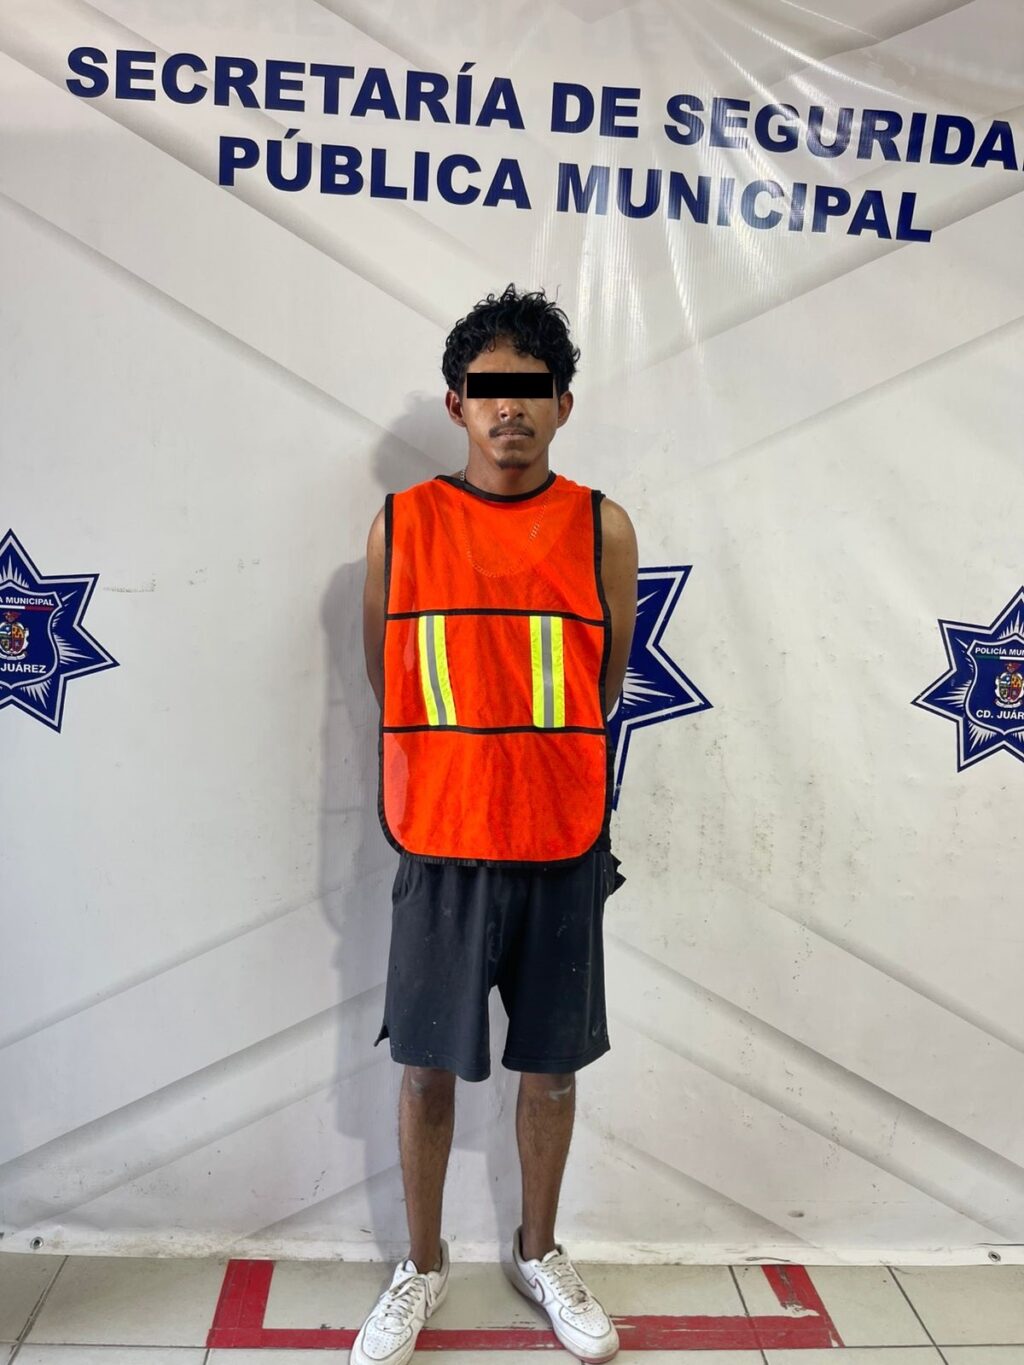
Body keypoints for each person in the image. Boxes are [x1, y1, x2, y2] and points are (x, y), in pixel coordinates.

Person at [353, 284, 638, 1365]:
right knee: (426, 1068)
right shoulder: (402, 525)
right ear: (456, 404)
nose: (509, 407)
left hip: (559, 836)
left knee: (551, 1068)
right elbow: (388, 680)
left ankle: (539, 1251)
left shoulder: (603, 526)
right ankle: (420, 1266)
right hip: (440, 833)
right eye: (488, 389)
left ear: (563, 404)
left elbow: (602, 685)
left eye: (532, 388)